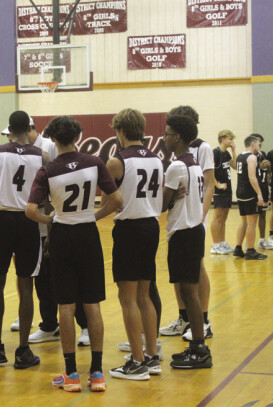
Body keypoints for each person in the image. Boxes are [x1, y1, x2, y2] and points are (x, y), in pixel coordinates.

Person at [26, 115, 123, 391]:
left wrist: (52, 220)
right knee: (92, 304)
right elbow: (117, 200)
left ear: (53, 139)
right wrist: (95, 216)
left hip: (63, 236)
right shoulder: (95, 163)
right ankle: (97, 374)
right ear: (78, 137)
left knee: (66, 306)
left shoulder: (47, 170)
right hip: (87, 234)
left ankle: (70, 374)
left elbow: (31, 211)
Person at [0, 110, 49, 369]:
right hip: (29, 222)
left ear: (9, 129)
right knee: (26, 286)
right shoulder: (43, 156)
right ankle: (24, 350)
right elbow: (48, 198)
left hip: (3, 220)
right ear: (29, 128)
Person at [105, 109, 162, 381]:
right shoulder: (157, 159)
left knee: (126, 297)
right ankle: (151, 356)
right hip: (151, 226)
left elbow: (108, 199)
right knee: (144, 294)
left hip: (129, 228)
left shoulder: (117, 161)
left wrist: (90, 218)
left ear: (121, 131)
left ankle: (137, 362)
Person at [24, 118, 90, 346]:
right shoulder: (21, 153)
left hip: (60, 222)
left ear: (31, 129)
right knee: (42, 281)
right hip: (40, 223)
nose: (12, 138)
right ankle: (49, 325)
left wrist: (51, 218)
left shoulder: (50, 148)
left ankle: (85, 326)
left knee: (73, 281)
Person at [161, 114, 212, 369]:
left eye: (167, 133)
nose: (164, 137)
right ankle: (197, 346)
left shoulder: (177, 167)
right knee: (187, 291)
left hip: (184, 232)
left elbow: (160, 204)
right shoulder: (192, 164)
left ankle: (199, 349)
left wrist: (165, 196)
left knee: (188, 293)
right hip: (193, 230)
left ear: (178, 136)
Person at [233, 135, 268, 260]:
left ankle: (238, 248)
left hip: (240, 192)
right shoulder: (252, 157)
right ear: (253, 144)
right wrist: (259, 194)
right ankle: (251, 251)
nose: (260, 147)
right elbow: (252, 177)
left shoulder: (240, 156)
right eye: (258, 144)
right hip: (249, 193)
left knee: (244, 222)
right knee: (252, 223)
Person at [210, 130, 237, 255]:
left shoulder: (226, 153)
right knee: (217, 217)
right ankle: (215, 245)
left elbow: (235, 166)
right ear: (222, 138)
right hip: (219, 190)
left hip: (228, 189)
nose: (232, 141)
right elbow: (209, 171)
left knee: (224, 217)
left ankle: (222, 242)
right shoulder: (215, 152)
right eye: (230, 139)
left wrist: (234, 151)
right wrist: (217, 184)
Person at [252, 134, 273, 250]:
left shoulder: (263, 154)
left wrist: (268, 172)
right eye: (257, 141)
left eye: (261, 141)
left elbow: (268, 171)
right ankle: (248, 242)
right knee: (252, 216)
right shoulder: (248, 156)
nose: (259, 143)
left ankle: (262, 240)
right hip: (253, 191)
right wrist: (259, 167)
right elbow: (248, 173)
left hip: (263, 190)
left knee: (263, 214)